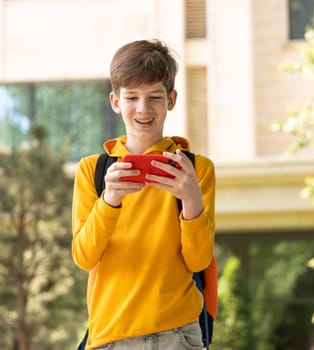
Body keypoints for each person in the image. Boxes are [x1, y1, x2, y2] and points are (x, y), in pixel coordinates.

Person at [71, 39, 216, 350]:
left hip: (179, 333)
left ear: (171, 99)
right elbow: (84, 257)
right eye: (132, 97)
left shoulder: (196, 169)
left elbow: (198, 260)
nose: (143, 109)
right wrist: (109, 201)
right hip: (111, 336)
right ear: (115, 101)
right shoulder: (92, 171)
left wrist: (191, 201)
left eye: (154, 97)